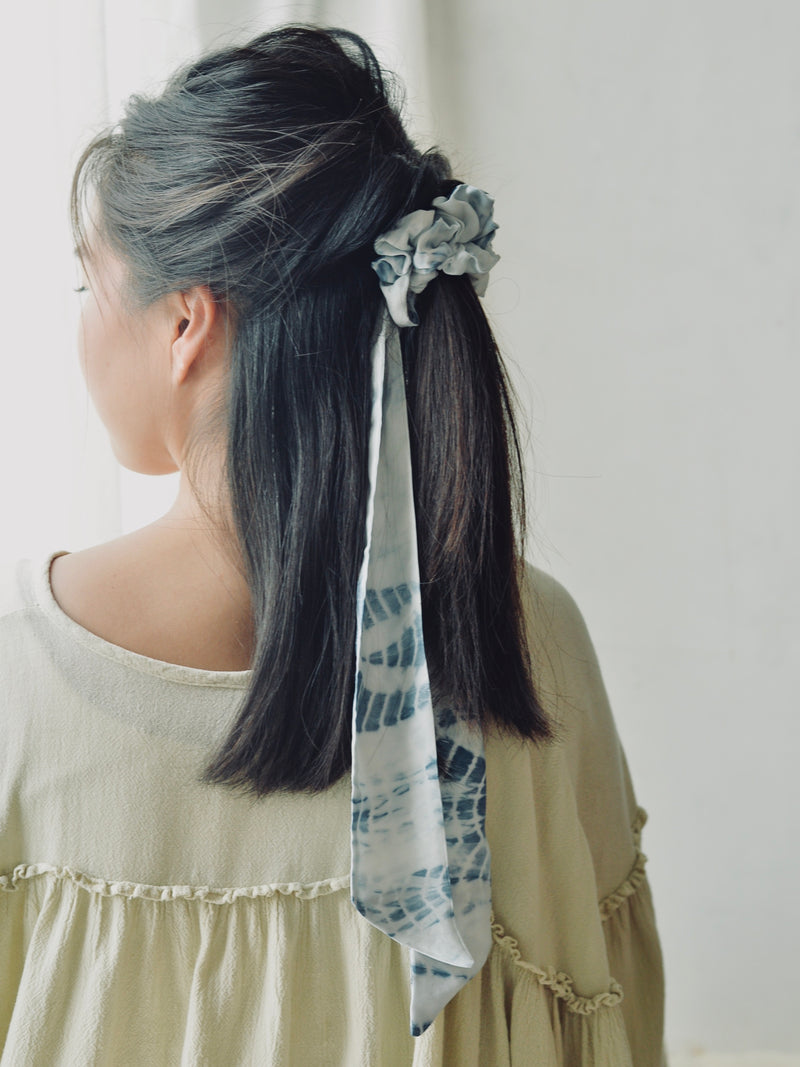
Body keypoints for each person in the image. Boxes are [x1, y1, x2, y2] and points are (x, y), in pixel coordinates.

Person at [0, 24, 666, 1066]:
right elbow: (610, 1032)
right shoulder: (531, 640)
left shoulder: (18, 676)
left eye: (91, 284)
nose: (82, 322)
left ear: (186, 322)